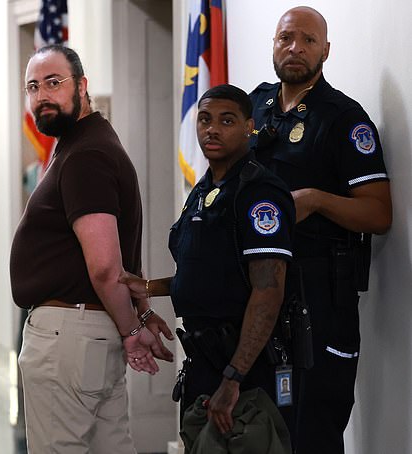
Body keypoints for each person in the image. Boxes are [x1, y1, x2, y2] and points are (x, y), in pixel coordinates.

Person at [10, 44, 174, 454]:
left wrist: (132, 330)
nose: (41, 95)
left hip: (69, 338)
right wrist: (138, 316)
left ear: (82, 86)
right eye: (33, 87)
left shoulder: (86, 154)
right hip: (88, 335)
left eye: (53, 82)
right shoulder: (85, 143)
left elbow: (105, 266)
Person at [249, 7, 392, 453]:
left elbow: (379, 213)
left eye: (308, 40)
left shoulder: (344, 118)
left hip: (317, 305)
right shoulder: (254, 105)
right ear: (273, 43)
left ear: (326, 51)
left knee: (310, 434)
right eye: (286, 37)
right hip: (255, 300)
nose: (296, 48)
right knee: (256, 432)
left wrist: (316, 200)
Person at [120, 84, 296, 436]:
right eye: (204, 119)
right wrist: (150, 287)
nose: (212, 129)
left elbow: (267, 291)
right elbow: (210, 274)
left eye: (226, 120)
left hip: (245, 367)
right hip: (204, 359)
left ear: (249, 127)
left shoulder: (259, 193)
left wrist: (234, 377)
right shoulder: (204, 190)